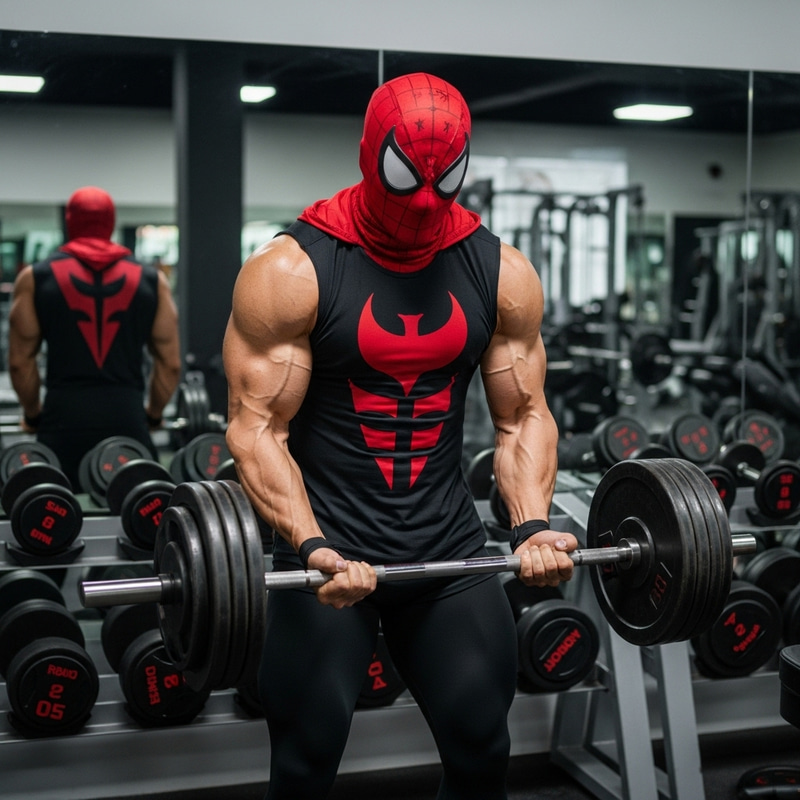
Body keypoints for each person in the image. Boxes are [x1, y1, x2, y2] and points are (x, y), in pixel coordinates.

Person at [223, 72, 578, 800]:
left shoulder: (500, 271)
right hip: (325, 556)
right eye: (403, 174)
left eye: (444, 178)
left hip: (446, 551)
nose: (424, 198)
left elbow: (523, 415)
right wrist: (314, 545)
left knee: (483, 747)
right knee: (304, 759)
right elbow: (258, 428)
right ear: (368, 153)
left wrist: (533, 526)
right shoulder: (292, 271)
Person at [7, 186, 182, 488]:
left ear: (70, 220)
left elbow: (20, 363)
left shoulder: (36, 278)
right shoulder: (152, 280)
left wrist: (34, 416)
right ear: (111, 223)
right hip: (128, 422)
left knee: (53, 517)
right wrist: (152, 416)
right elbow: (170, 364)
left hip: (61, 423)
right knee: (139, 516)